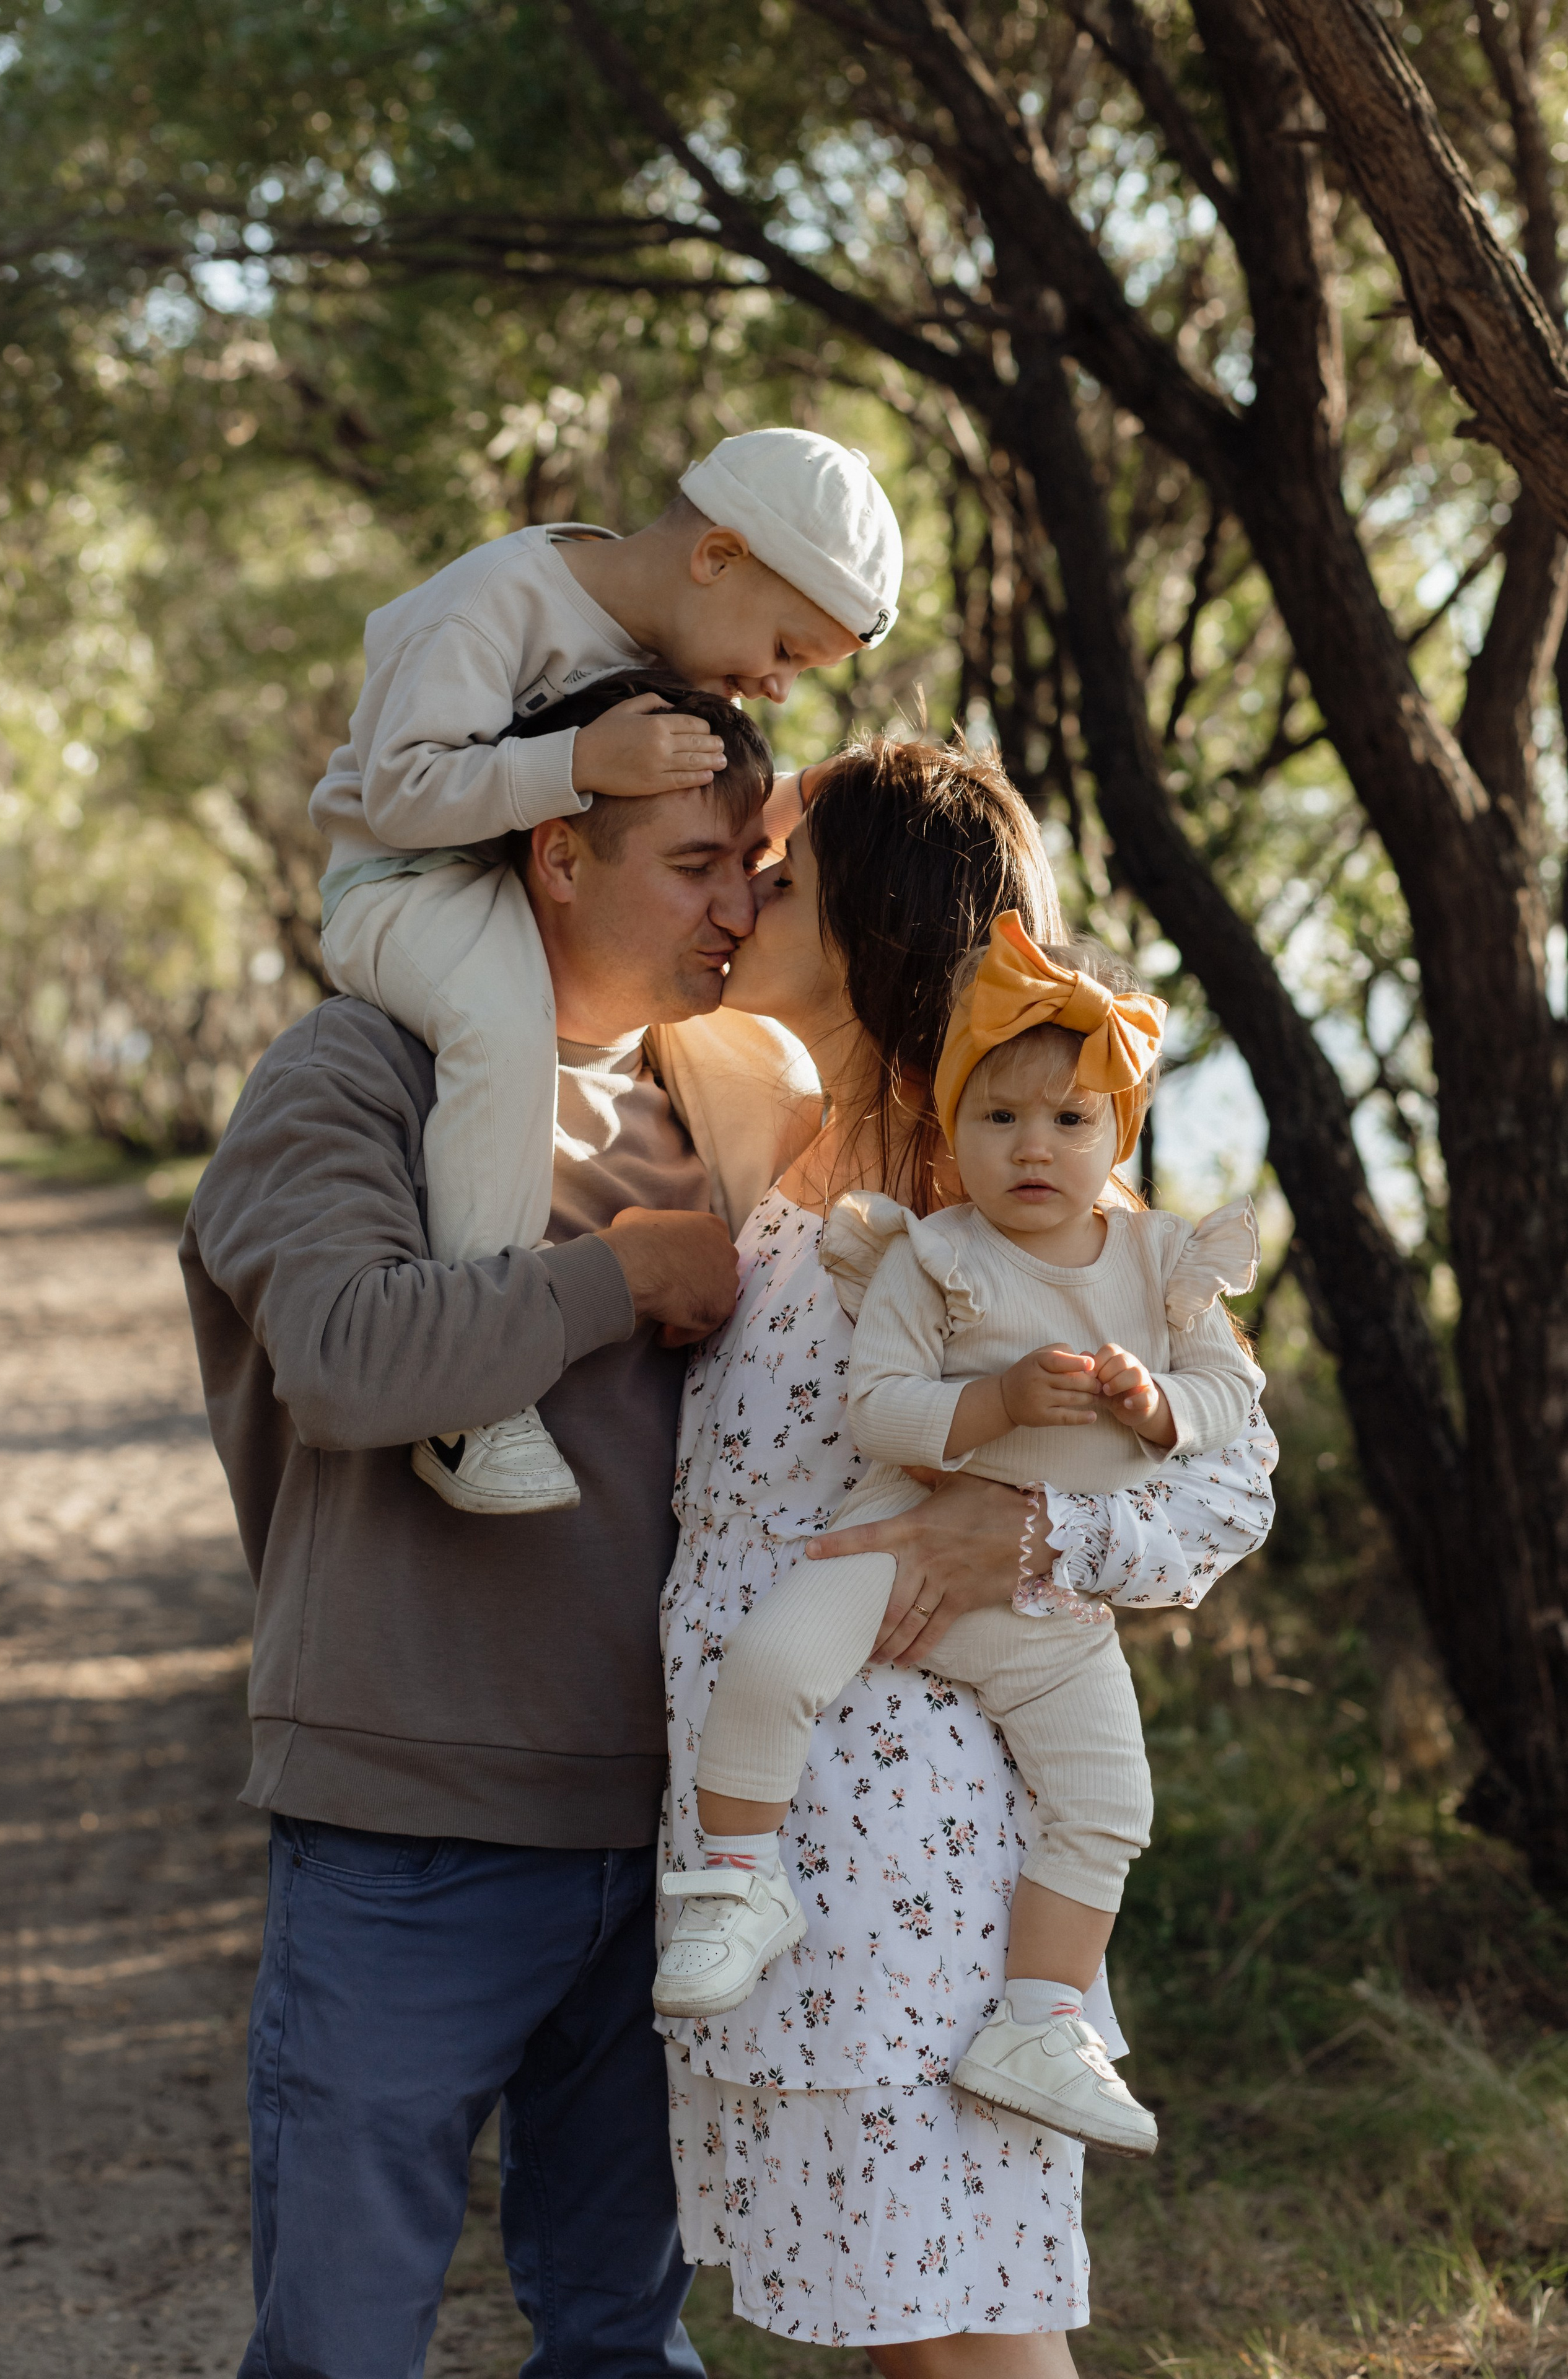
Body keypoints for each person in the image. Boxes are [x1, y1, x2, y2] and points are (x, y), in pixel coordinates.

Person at [182, 675, 810, 2379]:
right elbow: (344, 1359)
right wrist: (615, 1279)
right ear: (555, 853)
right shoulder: (354, 1070)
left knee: (623, 2334)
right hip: (410, 1829)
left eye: (755, 862)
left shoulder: (730, 1104)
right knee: (341, 2345)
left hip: (678, 1840)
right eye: (695, 861)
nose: (736, 904)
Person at [653, 737, 1278, 2365]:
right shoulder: (767, 1178)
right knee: (887, 2331)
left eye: (780, 879)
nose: (741, 902)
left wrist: (1031, 1526)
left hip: (915, 1853)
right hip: (770, 1852)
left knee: (969, 2336)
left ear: (875, 920)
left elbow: (1226, 1490)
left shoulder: (1033, 1208)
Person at [312, 426, 901, 1515]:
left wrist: (846, 797)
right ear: (716, 556)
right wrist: (574, 762)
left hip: (513, 881)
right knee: (500, 1018)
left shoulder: (663, 641)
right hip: (405, 888)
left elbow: (662, 835)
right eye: (785, 647)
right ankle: (472, 1408)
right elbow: (397, 795)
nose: (775, 684)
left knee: (748, 1060)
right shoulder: (492, 602)